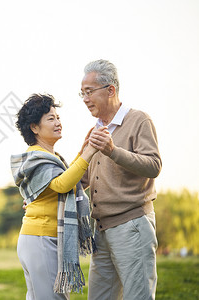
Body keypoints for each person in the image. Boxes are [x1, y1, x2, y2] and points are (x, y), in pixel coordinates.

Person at [80, 59, 162, 300]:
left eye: (89, 92)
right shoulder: (95, 130)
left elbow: (154, 165)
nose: (84, 99)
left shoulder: (139, 120)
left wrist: (113, 151)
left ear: (110, 90)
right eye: (82, 93)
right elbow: (82, 178)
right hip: (101, 230)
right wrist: (43, 197)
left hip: (132, 227)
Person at [10, 93, 97, 300]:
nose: (58, 123)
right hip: (40, 238)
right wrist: (88, 153)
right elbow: (61, 184)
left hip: (41, 238)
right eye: (51, 118)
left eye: (58, 117)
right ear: (34, 127)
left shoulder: (52, 158)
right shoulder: (35, 157)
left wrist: (82, 151)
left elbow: (67, 178)